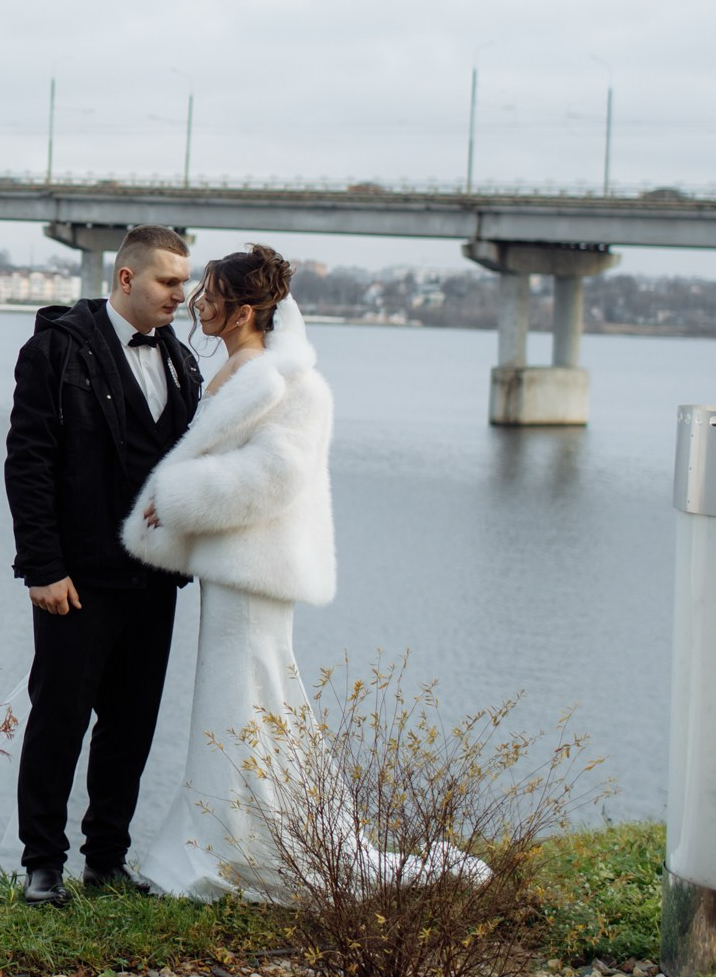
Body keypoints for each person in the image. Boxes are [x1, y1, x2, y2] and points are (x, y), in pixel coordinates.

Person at [122, 245, 486, 900]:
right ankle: (223, 841)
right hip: (227, 570)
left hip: (257, 573)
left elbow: (275, 476)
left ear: (245, 307)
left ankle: (244, 851)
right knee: (234, 702)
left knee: (253, 696)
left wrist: (174, 495)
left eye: (210, 292)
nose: (198, 303)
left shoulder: (294, 385)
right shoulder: (232, 372)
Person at [4, 224, 202, 905]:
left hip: (154, 578)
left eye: (185, 280)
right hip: (77, 578)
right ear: (126, 279)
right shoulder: (55, 349)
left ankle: (107, 862)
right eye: (169, 281)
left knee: (132, 722)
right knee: (59, 716)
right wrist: (41, 566)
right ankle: (42, 865)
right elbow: (27, 464)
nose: (184, 293)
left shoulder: (181, 359)